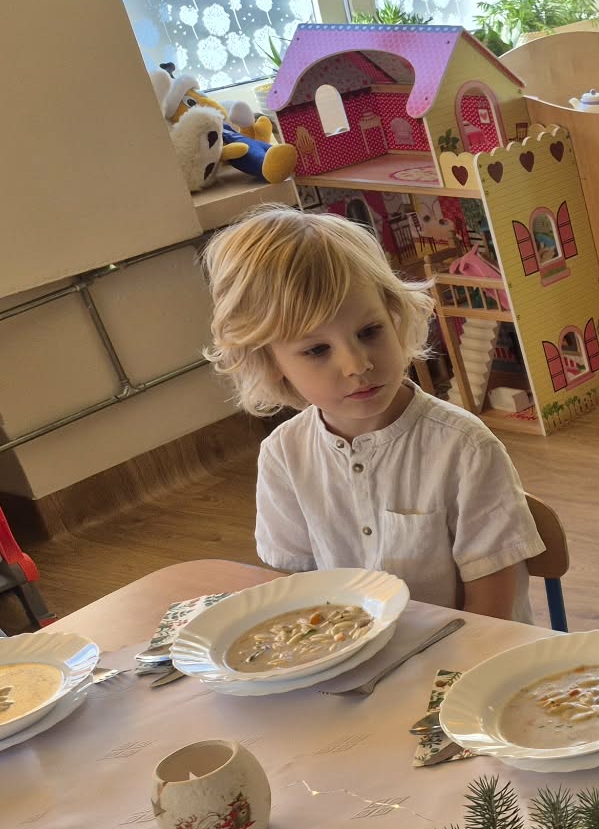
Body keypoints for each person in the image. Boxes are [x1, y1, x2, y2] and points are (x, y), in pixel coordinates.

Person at [203, 207, 543, 621]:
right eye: (317, 350)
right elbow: (294, 588)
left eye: (369, 332)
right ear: (270, 361)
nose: (357, 364)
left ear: (395, 316)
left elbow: (492, 612)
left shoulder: (465, 448)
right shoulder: (283, 454)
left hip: (468, 651)